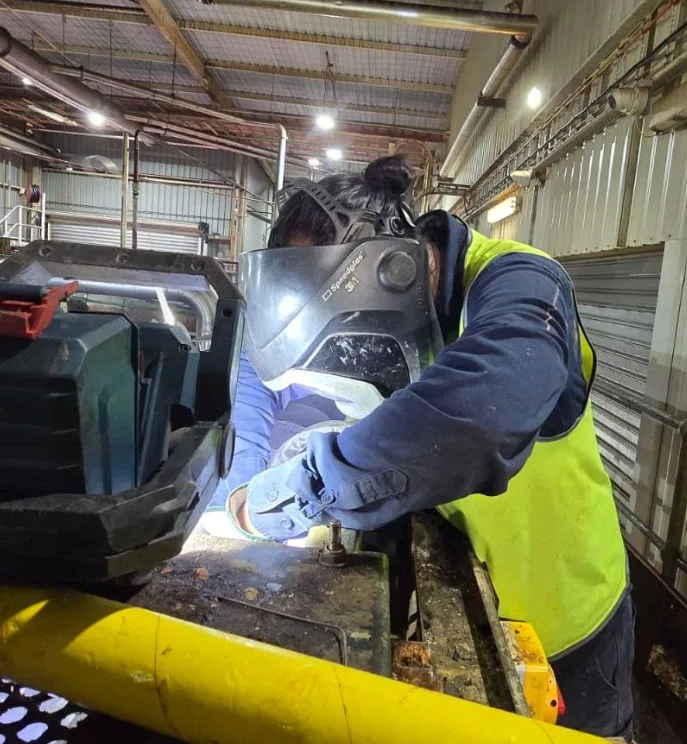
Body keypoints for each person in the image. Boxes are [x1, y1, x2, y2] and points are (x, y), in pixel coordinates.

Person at [215, 154, 634, 739]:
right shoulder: (388, 317)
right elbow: (258, 370)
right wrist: (245, 476)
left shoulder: (522, 284)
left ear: (392, 274)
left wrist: (294, 492)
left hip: (565, 626)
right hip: (465, 597)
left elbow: (479, 418)